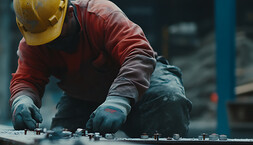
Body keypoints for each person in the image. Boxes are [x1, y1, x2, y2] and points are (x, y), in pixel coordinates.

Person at [10, 0, 192, 137]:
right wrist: (22, 100)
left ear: (70, 13)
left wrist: (119, 100)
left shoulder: (102, 15)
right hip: (84, 95)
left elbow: (139, 53)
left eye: (55, 36)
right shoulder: (34, 40)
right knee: (60, 141)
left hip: (140, 80)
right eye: (44, 39)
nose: (50, 43)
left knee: (169, 99)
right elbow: (27, 79)